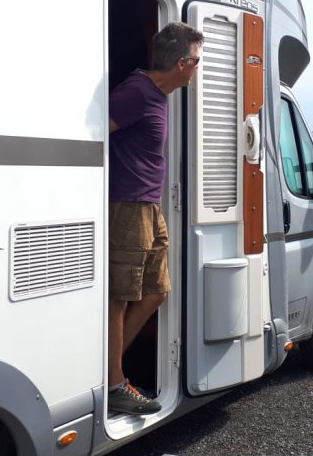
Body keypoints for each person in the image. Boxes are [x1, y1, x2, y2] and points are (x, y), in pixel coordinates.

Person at [107, 21, 203, 415]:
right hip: (127, 207)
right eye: (196, 60)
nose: (198, 67)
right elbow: (99, 133)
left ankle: (104, 369)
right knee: (120, 295)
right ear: (181, 63)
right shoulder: (136, 92)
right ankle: (113, 382)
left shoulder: (158, 95)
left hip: (149, 207)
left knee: (157, 291)